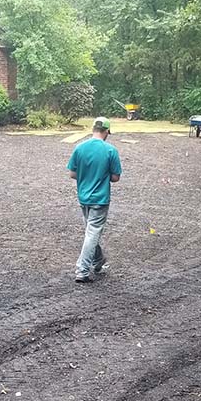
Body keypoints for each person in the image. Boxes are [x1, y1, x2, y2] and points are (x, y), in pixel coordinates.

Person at [67, 116, 122, 283]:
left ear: (93, 129)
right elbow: (115, 177)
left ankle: (99, 261)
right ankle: (82, 270)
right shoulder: (110, 150)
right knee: (92, 234)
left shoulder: (80, 148)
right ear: (106, 131)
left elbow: (72, 173)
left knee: (91, 232)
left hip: (83, 197)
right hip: (100, 198)